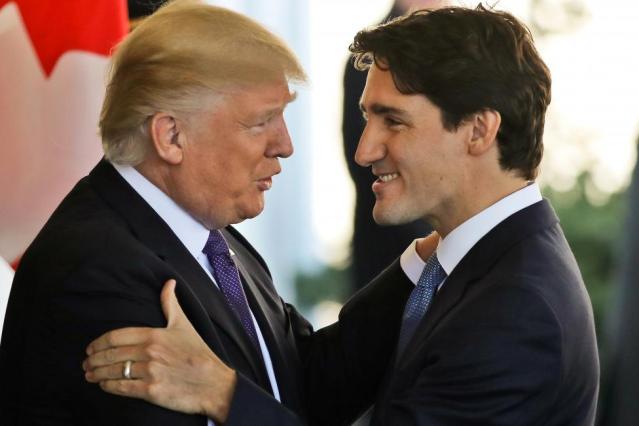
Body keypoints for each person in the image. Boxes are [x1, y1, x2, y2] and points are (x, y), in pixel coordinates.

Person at [83, 4, 601, 425]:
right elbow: (311, 377)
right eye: (366, 118)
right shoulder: (473, 265)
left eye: (393, 121)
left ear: (477, 131)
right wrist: (418, 267)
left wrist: (221, 393)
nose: (365, 150)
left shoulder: (516, 310)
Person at [0, 1, 418, 424]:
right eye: (262, 121)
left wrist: (428, 256)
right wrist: (226, 395)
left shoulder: (210, 235)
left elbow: (297, 380)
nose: (284, 144)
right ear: (171, 135)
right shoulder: (94, 273)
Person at [343, 0, 437, 293]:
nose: (366, 151)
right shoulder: (374, 55)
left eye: (393, 120)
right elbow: (368, 162)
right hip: (388, 250)